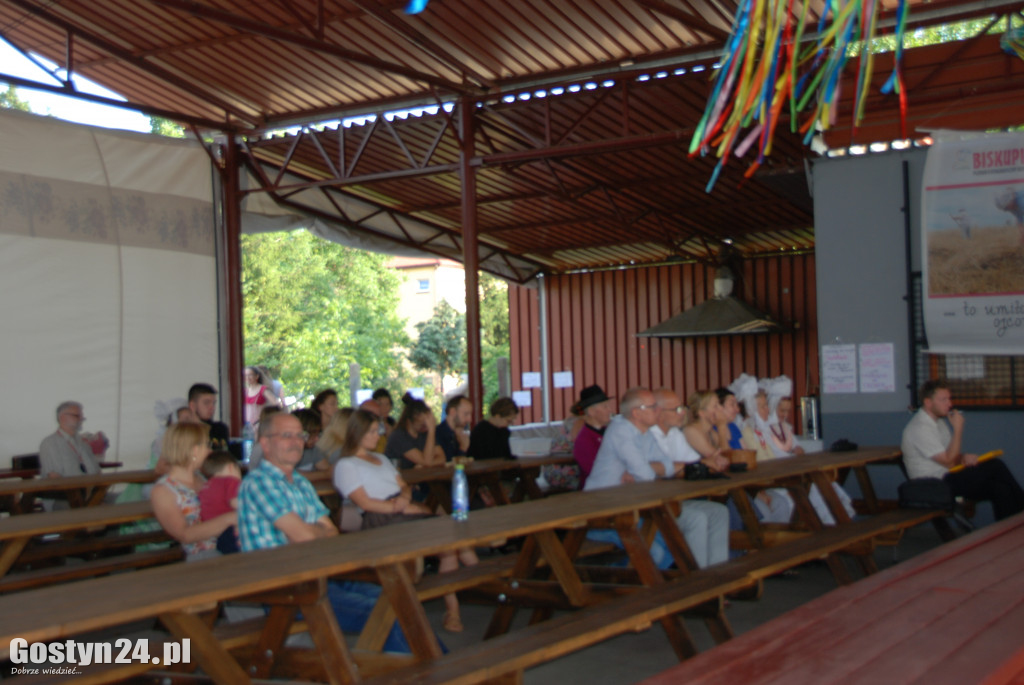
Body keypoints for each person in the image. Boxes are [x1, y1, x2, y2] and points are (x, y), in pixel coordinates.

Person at [237, 411, 412, 653]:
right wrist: (313, 531)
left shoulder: (300, 483)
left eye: (300, 435)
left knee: (400, 595)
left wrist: (310, 531)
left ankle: (437, 671)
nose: (296, 441)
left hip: (321, 576)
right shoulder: (259, 483)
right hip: (286, 588)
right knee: (383, 610)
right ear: (265, 443)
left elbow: (330, 533)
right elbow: (307, 536)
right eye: (286, 435)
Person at [334, 410, 478, 632]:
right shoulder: (346, 465)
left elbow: (403, 485)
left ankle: (454, 609)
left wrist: (404, 499)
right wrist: (397, 507)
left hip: (401, 508)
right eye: (372, 431)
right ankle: (479, 578)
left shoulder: (381, 458)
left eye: (379, 430)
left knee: (450, 543)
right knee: (449, 538)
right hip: (379, 518)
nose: (378, 436)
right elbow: (364, 503)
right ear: (357, 433)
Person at [902, 379, 1024, 521]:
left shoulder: (938, 422)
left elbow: (951, 455)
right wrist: (958, 429)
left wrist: (963, 457)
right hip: (934, 485)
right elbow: (947, 462)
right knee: (995, 465)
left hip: (949, 475)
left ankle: (1010, 533)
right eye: (944, 400)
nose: (950, 404)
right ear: (928, 402)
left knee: (1001, 489)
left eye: (949, 399)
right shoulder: (920, 428)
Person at [647, 389, 729, 568]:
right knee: (697, 518)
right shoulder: (649, 436)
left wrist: (707, 464)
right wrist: (700, 465)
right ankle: (697, 582)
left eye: (682, 408)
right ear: (659, 413)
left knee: (719, 512)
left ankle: (717, 577)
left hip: (674, 500)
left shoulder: (675, 434)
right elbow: (661, 470)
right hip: (653, 506)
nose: (683, 413)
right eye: (676, 410)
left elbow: (694, 463)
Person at [151, 422, 236, 561]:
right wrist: (229, 519)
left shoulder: (202, 478)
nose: (210, 451)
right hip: (203, 556)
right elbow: (185, 535)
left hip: (228, 545)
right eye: (206, 445)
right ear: (194, 450)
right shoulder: (163, 491)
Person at [39, 401, 102, 477]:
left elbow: (97, 472)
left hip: (91, 487)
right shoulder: (50, 444)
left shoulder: (84, 444)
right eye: (77, 416)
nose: (81, 419)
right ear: (62, 418)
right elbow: (54, 478)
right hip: (69, 488)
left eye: (82, 417)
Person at [199, 451, 243, 554]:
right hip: (229, 529)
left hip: (213, 531)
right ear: (231, 467)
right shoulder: (230, 481)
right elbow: (236, 503)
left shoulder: (206, 486)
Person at [385, 394, 445, 469]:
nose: (425, 428)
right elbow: (427, 461)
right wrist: (431, 431)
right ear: (410, 421)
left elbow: (442, 458)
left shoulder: (424, 434)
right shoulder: (398, 436)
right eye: (422, 424)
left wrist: (424, 465)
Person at [572, 385, 614, 488]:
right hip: (597, 492)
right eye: (605, 407)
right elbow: (597, 472)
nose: (610, 410)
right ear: (591, 411)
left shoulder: (609, 432)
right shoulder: (584, 440)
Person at [188, 383, 229, 450]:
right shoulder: (183, 432)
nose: (212, 407)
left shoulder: (219, 429)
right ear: (192, 406)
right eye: (206, 403)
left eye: (213, 403)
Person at [436, 395, 472, 460]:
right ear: (452, 412)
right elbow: (447, 464)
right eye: (466, 414)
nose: (470, 419)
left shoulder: (464, 433)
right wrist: (463, 448)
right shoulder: (437, 434)